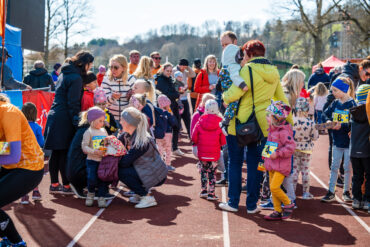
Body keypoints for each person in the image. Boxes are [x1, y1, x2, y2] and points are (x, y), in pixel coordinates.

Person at [218, 40, 292, 214]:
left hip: (240, 123)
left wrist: (225, 97)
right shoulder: (274, 72)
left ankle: (234, 202)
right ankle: (252, 205)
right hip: (265, 125)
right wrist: (290, 123)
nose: (242, 58)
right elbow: (282, 99)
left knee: (235, 163)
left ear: (249, 55)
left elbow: (237, 92)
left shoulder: (247, 69)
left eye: (244, 54)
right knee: (258, 164)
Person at [44, 50, 94, 194]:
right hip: (64, 117)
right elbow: (73, 103)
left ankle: (54, 184)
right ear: (85, 63)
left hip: (55, 115)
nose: (90, 68)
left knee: (56, 152)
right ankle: (66, 186)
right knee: (64, 152)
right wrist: (76, 122)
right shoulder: (76, 78)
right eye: (90, 65)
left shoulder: (64, 72)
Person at [0, 94, 44, 247]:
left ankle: (17, 242)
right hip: (12, 165)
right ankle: (6, 238)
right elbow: (4, 148)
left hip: (29, 168)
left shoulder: (8, 112)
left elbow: (13, 155)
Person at [118, 107, 167, 208]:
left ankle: (145, 197)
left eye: (122, 120)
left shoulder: (141, 141)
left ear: (128, 122)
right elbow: (116, 141)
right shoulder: (128, 134)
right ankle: (138, 192)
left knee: (120, 171)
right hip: (146, 169)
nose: (120, 122)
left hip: (155, 174)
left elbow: (124, 162)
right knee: (123, 168)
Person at [321, 77, 356, 202]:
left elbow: (355, 123)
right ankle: (331, 191)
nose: (333, 93)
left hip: (348, 143)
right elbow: (324, 114)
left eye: (335, 90)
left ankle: (346, 192)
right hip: (336, 141)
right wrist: (329, 121)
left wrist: (344, 125)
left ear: (344, 90)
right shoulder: (335, 103)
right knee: (334, 166)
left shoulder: (352, 104)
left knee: (347, 167)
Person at [263, 100, 296, 220]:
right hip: (272, 164)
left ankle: (288, 204)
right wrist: (265, 158)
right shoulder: (272, 131)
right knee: (273, 189)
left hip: (281, 166)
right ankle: (277, 210)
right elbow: (269, 146)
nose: (267, 117)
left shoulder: (283, 132)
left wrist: (278, 154)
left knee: (274, 187)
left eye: (269, 115)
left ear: (276, 118)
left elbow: (291, 147)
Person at [192, 99, 226, 201]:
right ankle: (211, 193)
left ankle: (203, 190)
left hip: (202, 153)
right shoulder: (220, 122)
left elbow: (194, 137)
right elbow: (223, 141)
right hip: (214, 153)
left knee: (203, 171)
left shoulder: (200, 121)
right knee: (212, 173)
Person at [81, 107, 109, 208]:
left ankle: (101, 197)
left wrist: (107, 148)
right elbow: (84, 147)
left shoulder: (103, 131)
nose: (103, 123)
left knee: (102, 180)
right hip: (92, 161)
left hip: (102, 161)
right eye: (100, 121)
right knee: (92, 179)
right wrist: (94, 151)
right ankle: (91, 194)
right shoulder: (88, 132)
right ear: (93, 121)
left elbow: (107, 142)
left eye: (103, 120)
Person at [292, 98, 319, 200]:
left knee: (294, 171)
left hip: (294, 149)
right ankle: (305, 193)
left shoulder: (292, 121)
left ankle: (292, 193)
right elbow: (315, 137)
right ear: (307, 110)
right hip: (306, 150)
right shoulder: (311, 122)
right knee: (305, 171)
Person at [218, 44, 247, 135]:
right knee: (234, 104)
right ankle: (225, 122)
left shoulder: (224, 66)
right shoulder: (234, 66)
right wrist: (243, 85)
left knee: (231, 104)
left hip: (226, 89)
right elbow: (235, 77)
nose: (241, 58)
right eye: (238, 55)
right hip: (232, 87)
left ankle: (225, 123)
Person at [19, 102, 45, 204]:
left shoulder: (19, 126)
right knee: (34, 173)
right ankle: (35, 192)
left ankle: (24, 195)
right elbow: (42, 142)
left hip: (22, 154)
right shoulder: (37, 127)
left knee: (22, 174)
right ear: (35, 114)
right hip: (34, 155)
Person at [155, 63, 183, 156]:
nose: (169, 73)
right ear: (163, 70)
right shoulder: (160, 80)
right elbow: (165, 94)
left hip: (173, 106)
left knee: (176, 126)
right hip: (164, 108)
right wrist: (176, 94)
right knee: (165, 129)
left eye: (171, 71)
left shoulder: (171, 79)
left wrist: (177, 93)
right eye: (167, 71)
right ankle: (162, 150)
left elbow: (174, 92)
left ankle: (174, 148)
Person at [350, 85, 370, 212]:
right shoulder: (368, 115)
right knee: (369, 176)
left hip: (354, 151)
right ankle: (367, 200)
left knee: (357, 176)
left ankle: (356, 200)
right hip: (367, 151)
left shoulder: (352, 112)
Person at [102, 54, 135, 126]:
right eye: (111, 67)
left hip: (127, 118)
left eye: (116, 67)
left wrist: (131, 97)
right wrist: (112, 97)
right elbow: (103, 102)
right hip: (111, 118)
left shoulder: (131, 79)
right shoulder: (106, 79)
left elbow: (138, 99)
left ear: (124, 68)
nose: (113, 70)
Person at [173, 59, 196, 139]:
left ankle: (190, 135)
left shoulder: (185, 72)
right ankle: (177, 136)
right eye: (183, 66)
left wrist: (188, 67)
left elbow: (193, 75)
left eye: (185, 66)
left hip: (185, 98)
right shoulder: (173, 71)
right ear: (179, 65)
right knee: (177, 118)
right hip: (176, 99)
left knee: (187, 117)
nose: (183, 68)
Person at [157, 94, 178, 171]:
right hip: (168, 134)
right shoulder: (168, 113)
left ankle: (159, 165)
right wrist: (172, 115)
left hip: (159, 134)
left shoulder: (157, 112)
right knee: (168, 149)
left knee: (160, 149)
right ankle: (167, 165)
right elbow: (174, 123)